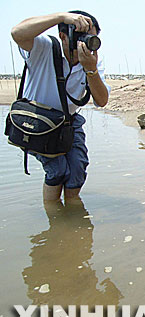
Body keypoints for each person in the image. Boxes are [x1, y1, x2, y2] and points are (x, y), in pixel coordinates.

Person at [11, 11, 109, 202]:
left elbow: (102, 100)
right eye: (80, 36)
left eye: (91, 38)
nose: (86, 42)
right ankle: (55, 221)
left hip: (67, 122)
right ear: (63, 35)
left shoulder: (92, 60)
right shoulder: (43, 47)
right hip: (37, 122)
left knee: (77, 170)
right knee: (57, 171)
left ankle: (72, 215)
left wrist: (91, 69)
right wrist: (60, 17)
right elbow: (17, 33)